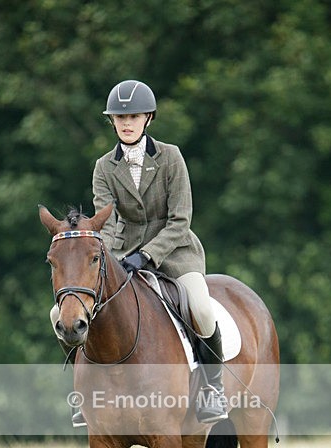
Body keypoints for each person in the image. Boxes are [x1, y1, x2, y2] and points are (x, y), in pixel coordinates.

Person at [54, 79, 228, 426]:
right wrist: (115, 258)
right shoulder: (104, 167)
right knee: (60, 315)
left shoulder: (170, 157)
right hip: (122, 255)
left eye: (133, 116)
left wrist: (147, 255)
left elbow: (180, 220)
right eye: (119, 118)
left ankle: (212, 388)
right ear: (112, 122)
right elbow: (107, 221)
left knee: (201, 308)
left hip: (176, 252)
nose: (127, 123)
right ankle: (83, 396)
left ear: (148, 118)